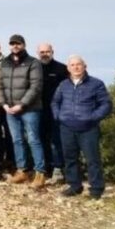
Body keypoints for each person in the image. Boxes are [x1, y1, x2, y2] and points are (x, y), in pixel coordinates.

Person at [51, 55, 112, 199]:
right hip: (66, 127)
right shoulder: (63, 85)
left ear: (85, 66)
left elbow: (106, 104)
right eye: (72, 65)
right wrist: (58, 116)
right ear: (68, 68)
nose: (76, 67)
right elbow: (55, 102)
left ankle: (96, 190)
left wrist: (93, 117)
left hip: (88, 128)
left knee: (92, 159)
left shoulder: (96, 84)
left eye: (79, 64)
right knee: (70, 158)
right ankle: (74, 186)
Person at [0, 34, 46, 188]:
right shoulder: (4, 63)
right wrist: (4, 104)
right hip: (10, 109)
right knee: (17, 140)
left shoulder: (33, 62)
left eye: (18, 43)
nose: (15, 46)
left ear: (23, 45)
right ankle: (22, 171)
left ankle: (40, 173)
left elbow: (36, 87)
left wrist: (22, 104)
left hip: (29, 109)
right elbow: (0, 86)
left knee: (33, 139)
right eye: (12, 44)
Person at [37, 43, 69, 183]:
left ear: (52, 52)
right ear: (38, 53)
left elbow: (67, 91)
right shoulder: (35, 68)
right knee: (41, 140)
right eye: (42, 52)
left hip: (57, 111)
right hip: (38, 110)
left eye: (47, 51)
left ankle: (58, 169)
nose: (44, 54)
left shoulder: (61, 69)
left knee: (56, 141)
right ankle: (46, 168)